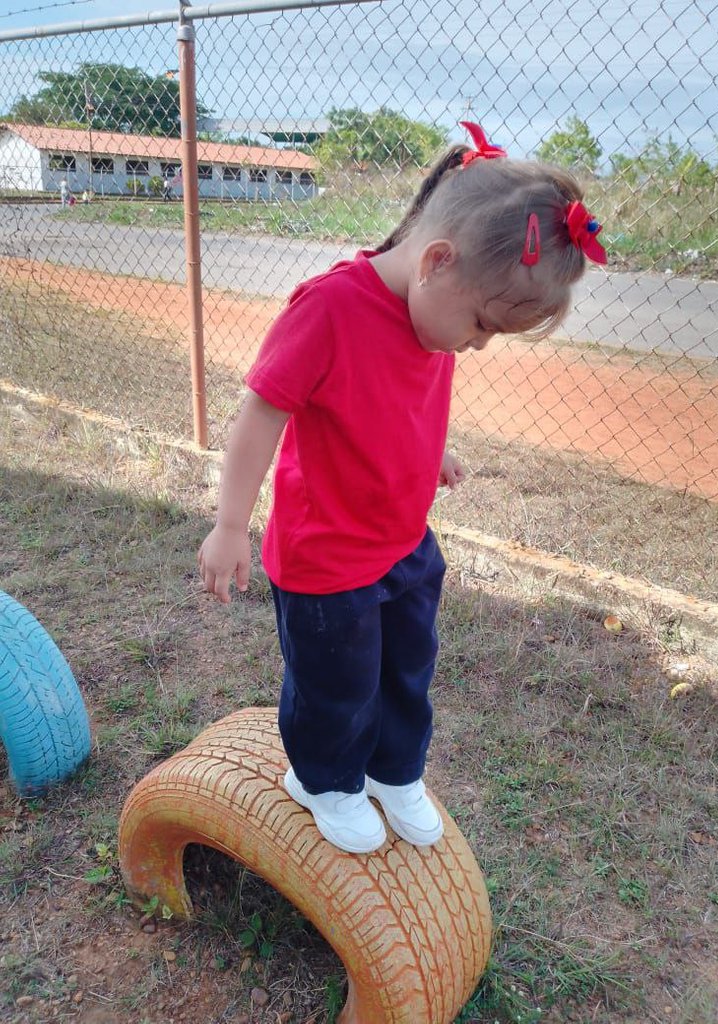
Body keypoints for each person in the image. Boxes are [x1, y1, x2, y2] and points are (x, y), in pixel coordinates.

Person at [198, 122, 607, 855]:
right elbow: (262, 411)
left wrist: (431, 450)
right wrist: (232, 524)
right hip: (328, 556)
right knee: (339, 681)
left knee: (407, 669)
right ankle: (323, 781)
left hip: (402, 538)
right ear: (436, 262)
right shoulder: (328, 310)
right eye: (483, 325)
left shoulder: (434, 316)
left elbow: (394, 398)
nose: (478, 345)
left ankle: (392, 773)